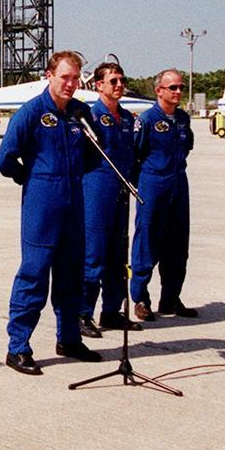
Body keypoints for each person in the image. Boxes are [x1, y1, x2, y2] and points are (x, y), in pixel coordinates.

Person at [0, 51, 103, 375]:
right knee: (34, 276)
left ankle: (69, 340)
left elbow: (96, 154)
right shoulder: (30, 114)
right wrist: (31, 177)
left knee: (71, 278)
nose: (71, 84)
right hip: (42, 207)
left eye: (75, 78)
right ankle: (18, 348)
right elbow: (3, 160)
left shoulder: (81, 113)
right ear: (49, 76)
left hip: (74, 206)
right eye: (65, 77)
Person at [129, 69, 198, 320]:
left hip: (178, 185)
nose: (178, 91)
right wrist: (144, 183)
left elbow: (186, 146)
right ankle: (140, 299)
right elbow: (134, 153)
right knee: (147, 243)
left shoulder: (182, 119)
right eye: (173, 88)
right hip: (153, 185)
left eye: (180, 87)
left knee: (178, 245)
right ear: (159, 91)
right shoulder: (146, 120)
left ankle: (170, 299)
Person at [80, 62, 142, 337]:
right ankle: (83, 313)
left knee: (119, 254)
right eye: (113, 81)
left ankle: (111, 311)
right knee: (94, 254)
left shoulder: (128, 118)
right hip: (97, 189)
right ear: (99, 85)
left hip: (121, 190)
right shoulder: (90, 117)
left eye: (121, 80)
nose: (119, 85)